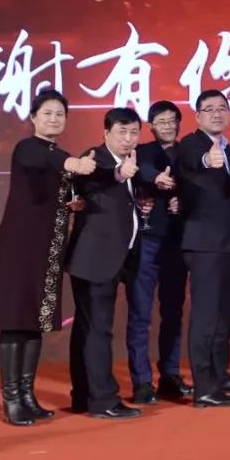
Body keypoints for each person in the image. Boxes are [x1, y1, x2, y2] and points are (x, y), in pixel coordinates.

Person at [0, 90, 95, 426]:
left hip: (49, 250)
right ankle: (11, 400)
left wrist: (72, 203)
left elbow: (56, 187)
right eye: (47, 113)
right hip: (20, 249)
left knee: (36, 322)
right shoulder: (29, 149)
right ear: (33, 117)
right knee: (15, 320)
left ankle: (27, 395)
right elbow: (45, 160)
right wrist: (74, 164)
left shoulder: (57, 155)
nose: (54, 119)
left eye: (60, 114)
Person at [177, 89, 230, 408]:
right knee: (206, 316)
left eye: (222, 108)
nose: (217, 113)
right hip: (204, 243)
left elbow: (227, 189)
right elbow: (192, 162)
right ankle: (204, 387)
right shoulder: (192, 144)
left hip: (227, 241)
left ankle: (219, 375)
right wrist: (207, 160)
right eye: (209, 109)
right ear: (198, 117)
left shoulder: (227, 147)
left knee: (226, 313)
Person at [66, 107, 144, 419]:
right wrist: (118, 174)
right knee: (98, 330)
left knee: (88, 329)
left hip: (114, 258)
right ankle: (103, 401)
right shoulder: (95, 158)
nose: (128, 138)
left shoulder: (132, 161)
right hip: (94, 260)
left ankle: (83, 395)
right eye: (121, 132)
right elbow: (92, 180)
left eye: (134, 132)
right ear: (106, 133)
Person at [126, 100, 193, 405]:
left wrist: (183, 202)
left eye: (172, 120)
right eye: (161, 121)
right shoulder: (142, 152)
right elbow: (141, 171)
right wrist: (157, 179)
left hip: (177, 243)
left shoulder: (187, 152)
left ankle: (170, 375)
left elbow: (196, 186)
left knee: (173, 313)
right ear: (150, 125)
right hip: (147, 241)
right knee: (140, 313)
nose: (167, 125)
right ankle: (141, 381)